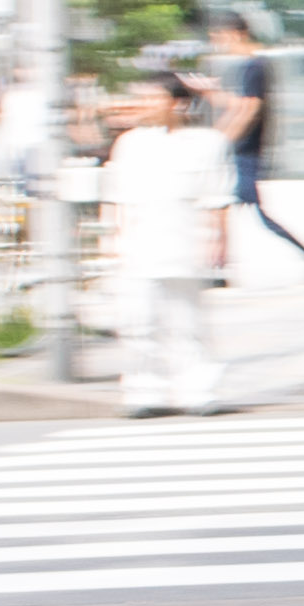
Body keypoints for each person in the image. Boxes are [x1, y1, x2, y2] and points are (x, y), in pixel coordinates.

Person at [99, 70, 232, 417]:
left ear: (178, 103)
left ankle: (199, 390)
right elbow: (115, 197)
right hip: (139, 241)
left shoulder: (208, 143)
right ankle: (145, 392)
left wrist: (219, 241)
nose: (145, 105)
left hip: (187, 239)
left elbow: (217, 196)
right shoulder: (129, 143)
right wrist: (111, 239)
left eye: (153, 98)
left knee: (187, 322)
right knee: (138, 320)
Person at [197, 13, 304, 277]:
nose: (219, 45)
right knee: (225, 206)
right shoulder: (253, 66)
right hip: (245, 149)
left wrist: (221, 140)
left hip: (247, 151)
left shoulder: (254, 66)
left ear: (235, 33)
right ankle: (219, 266)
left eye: (219, 38)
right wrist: (212, 96)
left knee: (231, 206)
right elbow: (240, 105)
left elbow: (249, 108)